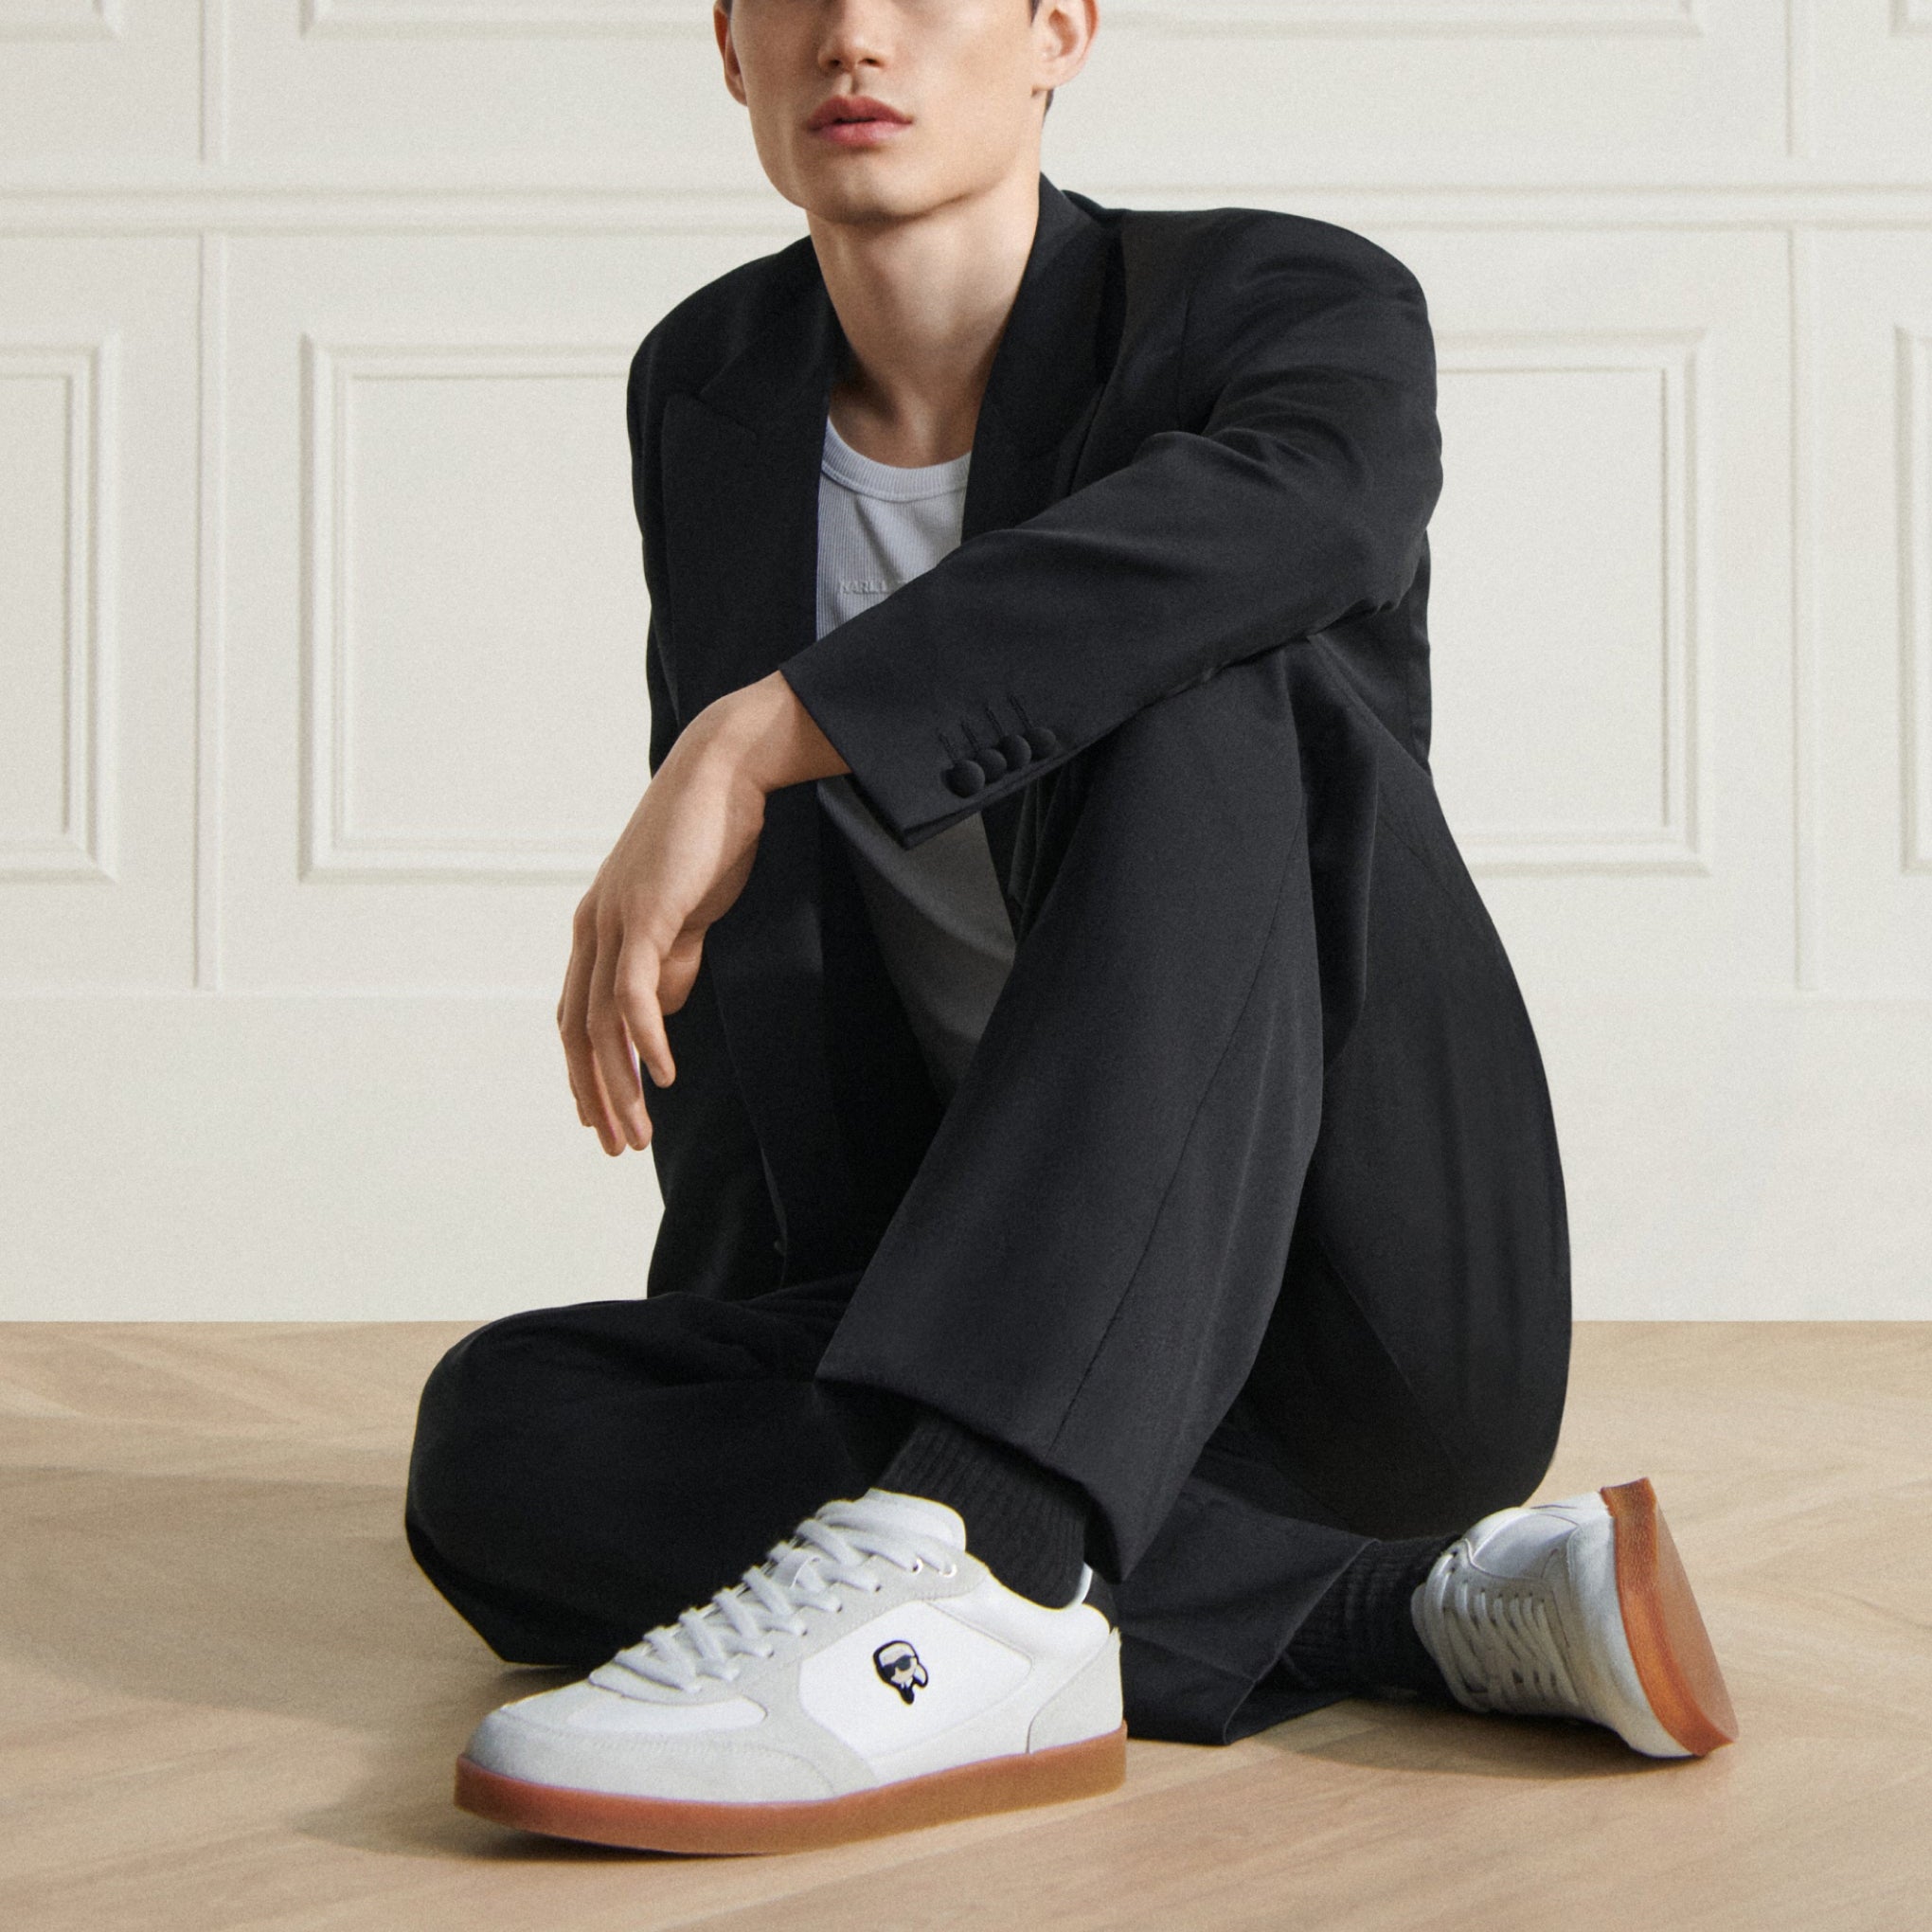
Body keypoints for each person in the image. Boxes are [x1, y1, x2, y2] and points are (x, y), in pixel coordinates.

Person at [403, 0, 1738, 1856]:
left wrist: (763, 725)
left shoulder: (1284, 299)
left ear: (1056, 32)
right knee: (506, 1432)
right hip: (972, 1285)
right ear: (727, 46)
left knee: (1194, 671)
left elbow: (1312, 514)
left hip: (1341, 1301)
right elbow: (768, 939)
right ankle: (1393, 1607)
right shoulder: (712, 378)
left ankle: (990, 1546)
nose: (856, 34)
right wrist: (743, 1360)